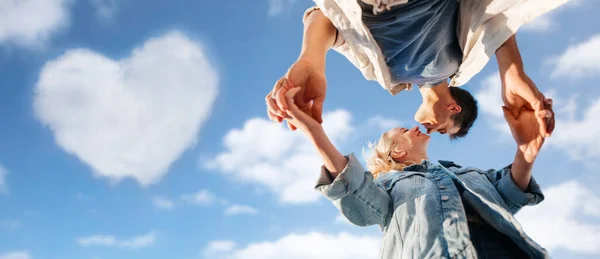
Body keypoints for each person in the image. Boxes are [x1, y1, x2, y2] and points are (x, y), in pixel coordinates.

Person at [282, 86, 551, 258]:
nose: (413, 127)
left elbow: (509, 193)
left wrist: (526, 150)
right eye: (403, 131)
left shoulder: (468, 174)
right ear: (396, 153)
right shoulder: (388, 186)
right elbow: (356, 190)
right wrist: (314, 130)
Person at [266, 0, 563, 139]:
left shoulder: (385, 77)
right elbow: (491, 17)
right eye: (443, 128)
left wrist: (311, 60)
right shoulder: (458, 64)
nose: (431, 132)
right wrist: (512, 70)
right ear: (454, 108)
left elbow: (328, 19)